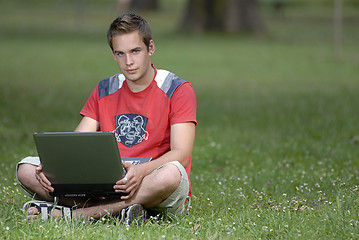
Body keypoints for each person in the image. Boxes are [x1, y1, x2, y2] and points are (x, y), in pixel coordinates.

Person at [16, 13, 197, 223]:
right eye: (120, 54)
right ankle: (118, 212)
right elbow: (76, 144)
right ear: (113, 55)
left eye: (135, 51)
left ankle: (77, 214)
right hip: (107, 184)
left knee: (172, 174)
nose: (128, 62)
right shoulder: (105, 89)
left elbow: (181, 155)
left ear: (151, 48)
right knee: (26, 169)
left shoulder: (177, 89)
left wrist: (140, 171)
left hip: (150, 181)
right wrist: (53, 167)